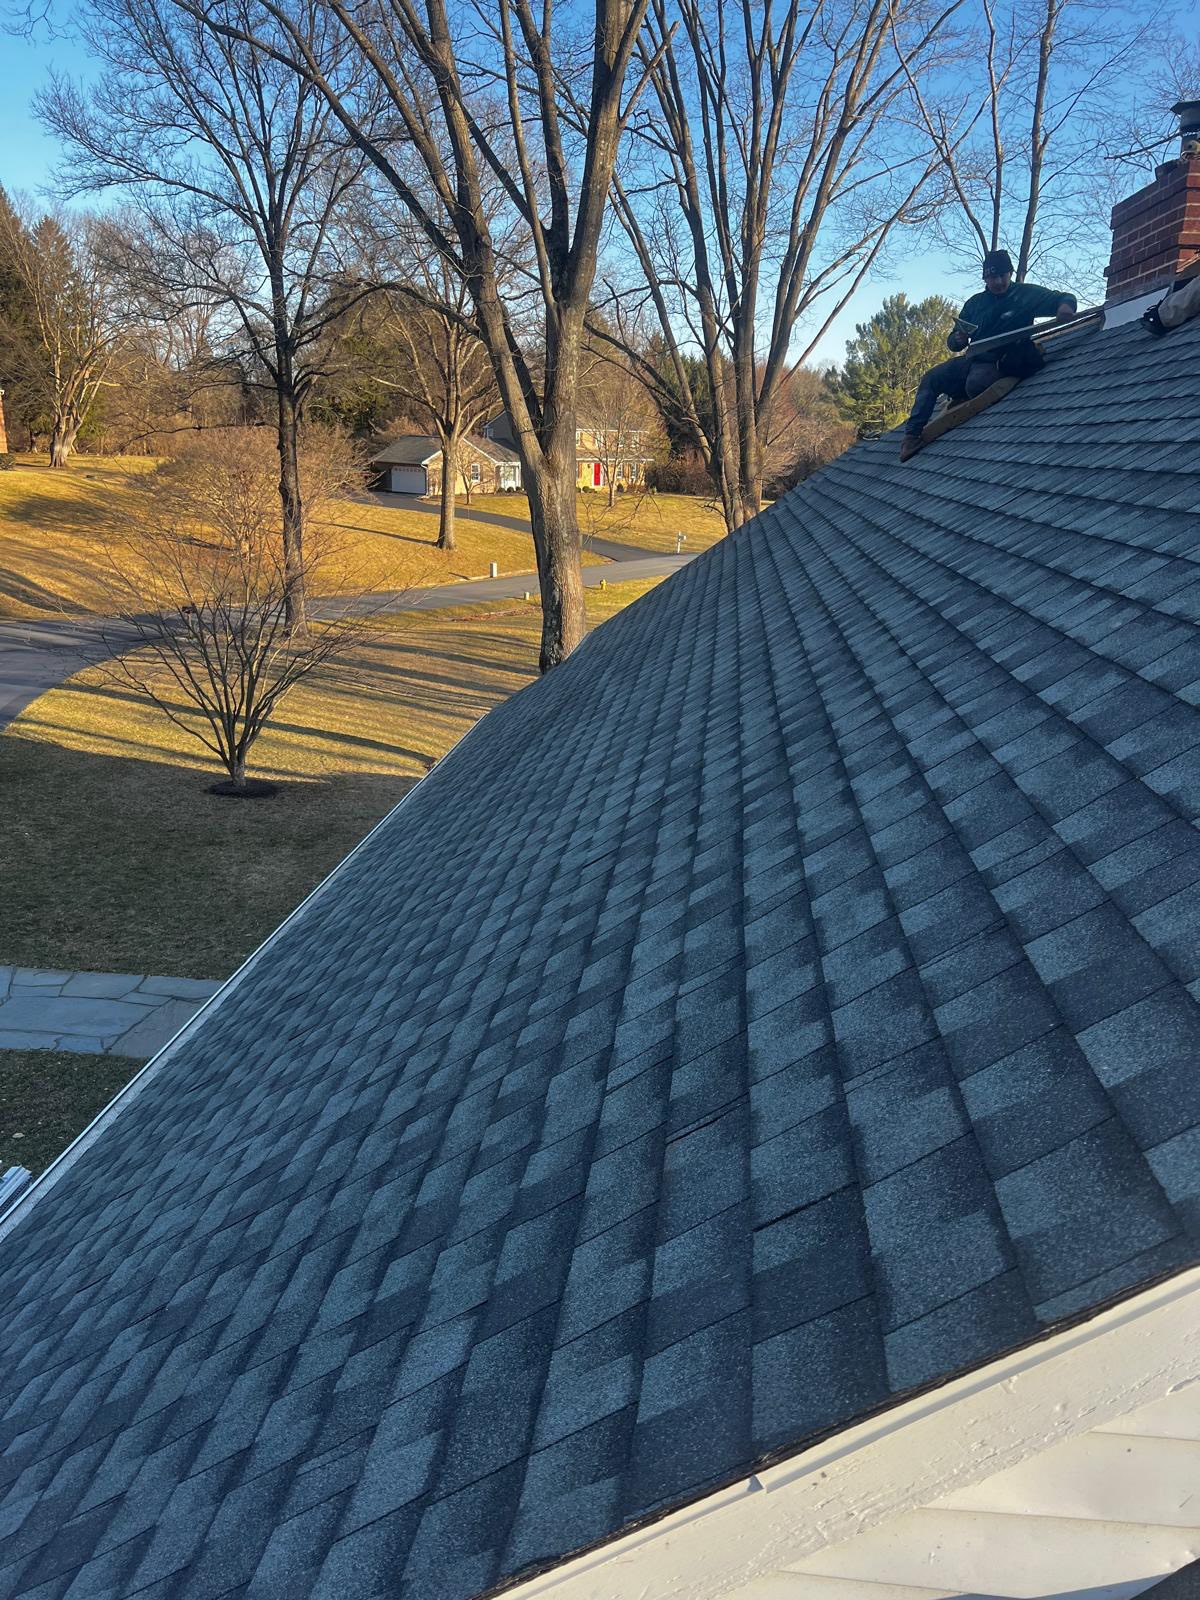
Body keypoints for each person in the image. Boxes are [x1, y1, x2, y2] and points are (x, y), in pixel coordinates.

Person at [899, 250, 1077, 461]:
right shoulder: (975, 304)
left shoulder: (1025, 295)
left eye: (1003, 275)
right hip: (973, 358)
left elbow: (1064, 297)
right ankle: (911, 437)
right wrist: (958, 339)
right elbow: (952, 343)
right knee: (932, 378)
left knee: (975, 384)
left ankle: (961, 393)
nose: (999, 282)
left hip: (1001, 360)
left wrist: (1066, 308)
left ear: (1010, 273)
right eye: (993, 277)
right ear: (985, 278)